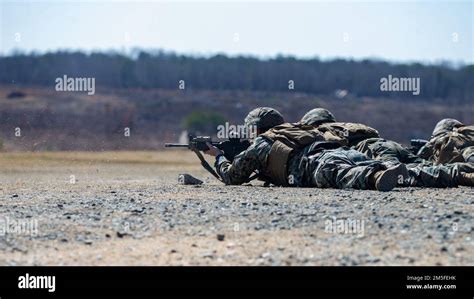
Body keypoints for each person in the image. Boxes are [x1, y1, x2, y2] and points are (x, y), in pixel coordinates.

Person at [204, 107, 408, 192]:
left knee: (344, 174)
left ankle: (378, 177)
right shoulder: (297, 129)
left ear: (256, 129)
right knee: (359, 161)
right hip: (334, 150)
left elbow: (232, 177)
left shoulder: (262, 143)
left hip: (315, 164)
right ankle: (390, 167)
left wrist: (219, 156)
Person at [300, 108, 474, 187]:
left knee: (402, 173)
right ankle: (464, 171)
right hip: (389, 144)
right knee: (431, 167)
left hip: (374, 149)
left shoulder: (320, 132)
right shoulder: (345, 125)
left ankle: (462, 176)